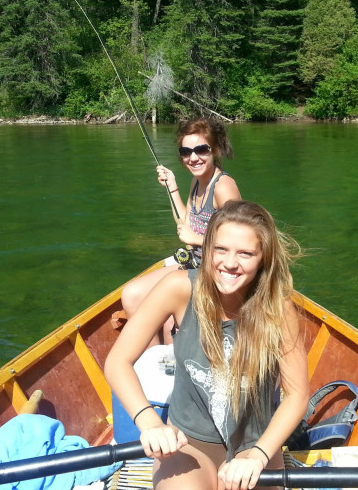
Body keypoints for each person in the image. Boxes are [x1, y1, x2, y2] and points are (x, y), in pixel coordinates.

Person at [105, 201, 309, 490]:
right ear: (207, 248)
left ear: (264, 258)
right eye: (221, 249)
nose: (230, 263)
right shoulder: (179, 288)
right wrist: (149, 422)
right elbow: (117, 362)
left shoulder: (279, 309)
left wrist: (259, 455)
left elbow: (298, 395)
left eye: (246, 253)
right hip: (188, 444)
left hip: (252, 446)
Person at [121, 117, 241, 346]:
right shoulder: (198, 181)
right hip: (194, 264)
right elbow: (184, 222)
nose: (193, 158)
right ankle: (155, 361)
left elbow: (238, 239)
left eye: (201, 150)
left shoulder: (223, 186)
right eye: (186, 152)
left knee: (167, 318)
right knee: (132, 296)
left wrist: (196, 239)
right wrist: (172, 187)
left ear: (214, 150)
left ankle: (173, 357)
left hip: (215, 272)